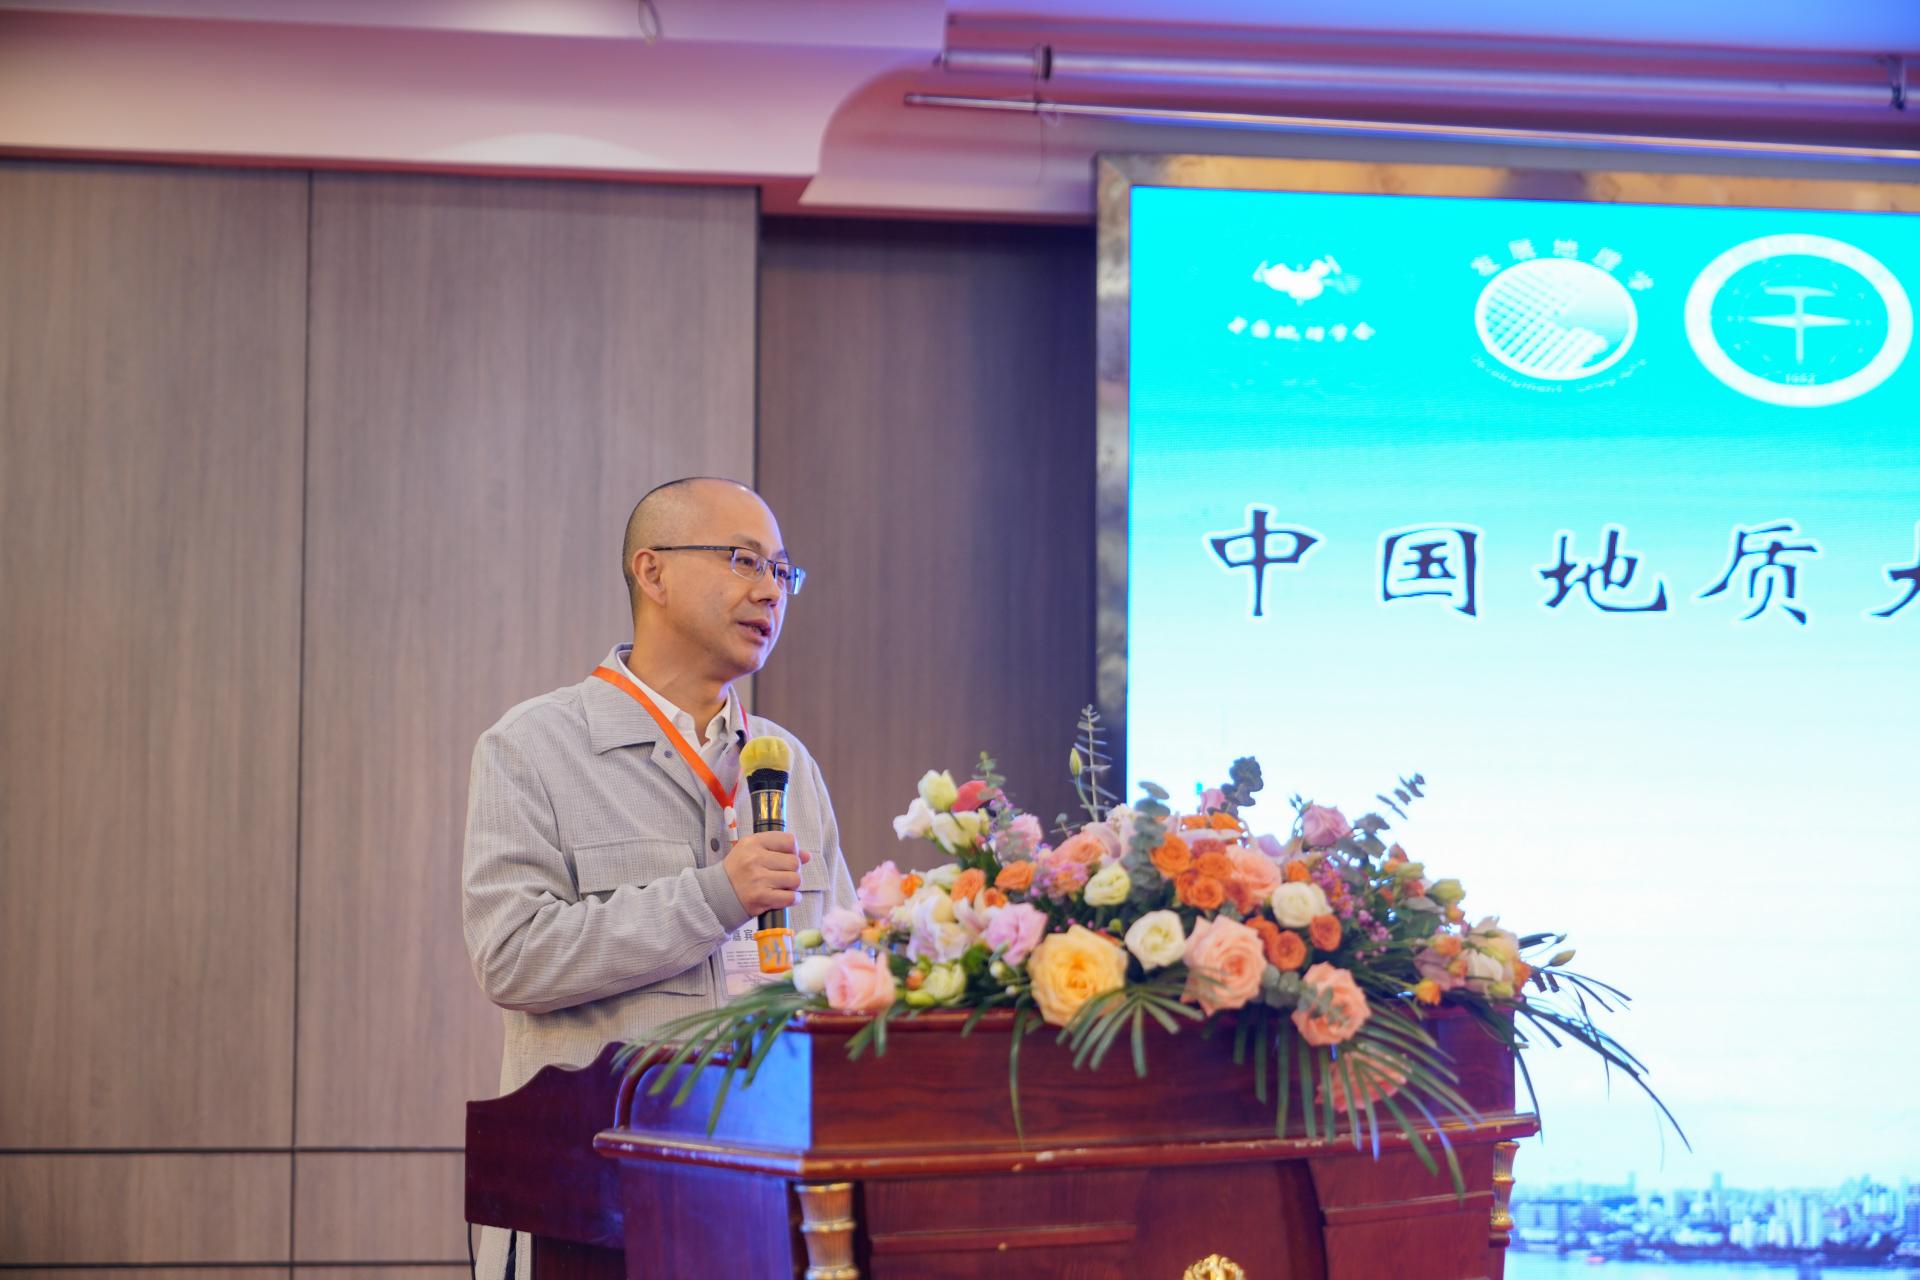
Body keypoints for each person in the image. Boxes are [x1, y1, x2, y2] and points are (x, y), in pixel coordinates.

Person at [462, 477, 858, 1278]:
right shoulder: (534, 746)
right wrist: (716, 897)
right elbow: (513, 956)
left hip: (767, 1200)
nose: (769, 591)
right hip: (594, 1211)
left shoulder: (786, 762)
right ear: (653, 572)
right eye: (744, 560)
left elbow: (842, 969)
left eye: (783, 571)